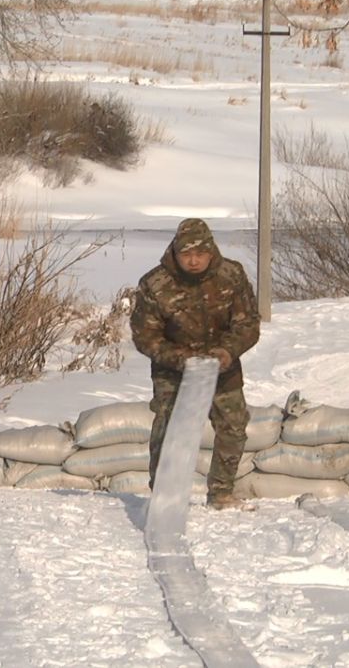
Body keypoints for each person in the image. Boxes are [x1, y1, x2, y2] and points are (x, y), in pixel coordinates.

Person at [129, 218, 261, 510]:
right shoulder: (155, 284)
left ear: (211, 251)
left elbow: (248, 324)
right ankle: (164, 496)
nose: (193, 261)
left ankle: (222, 492)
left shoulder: (231, 275)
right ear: (175, 252)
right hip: (173, 370)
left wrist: (227, 351)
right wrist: (178, 358)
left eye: (200, 254)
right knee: (168, 430)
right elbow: (145, 335)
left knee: (233, 426)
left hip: (222, 367)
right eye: (186, 254)